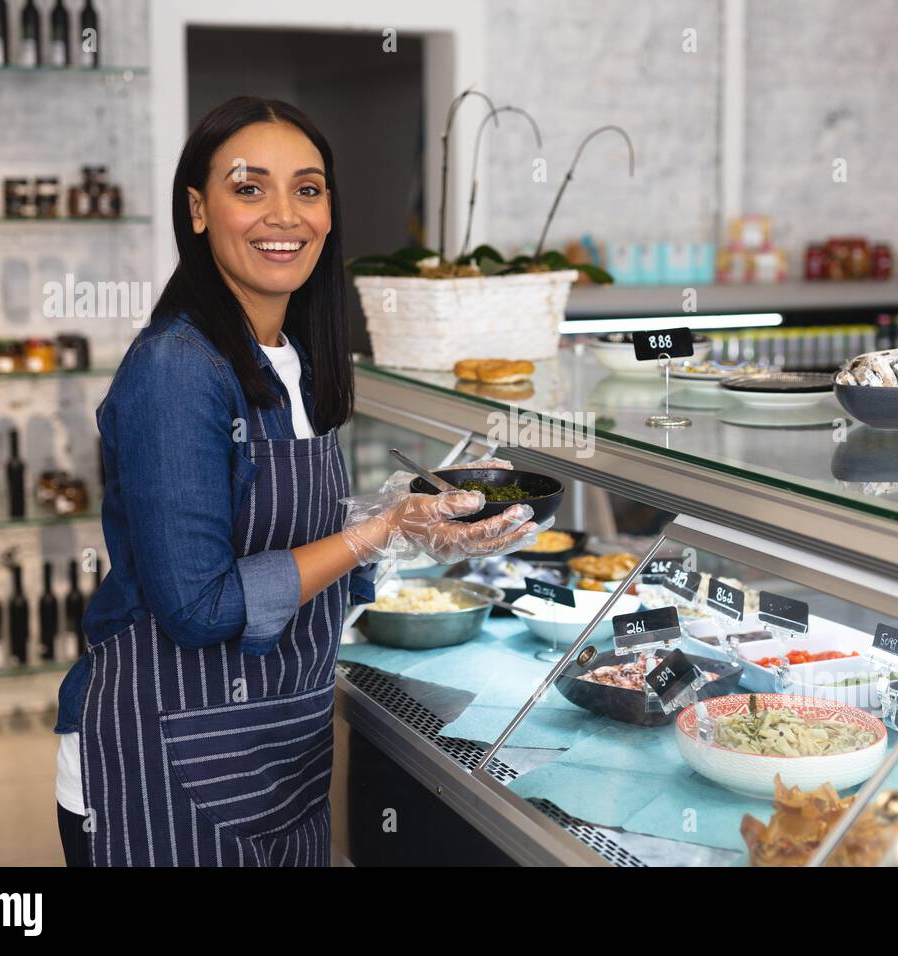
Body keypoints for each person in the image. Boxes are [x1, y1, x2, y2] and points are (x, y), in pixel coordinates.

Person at [52, 96, 541, 867]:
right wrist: (375, 531)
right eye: (249, 188)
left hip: (277, 749)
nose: (286, 215)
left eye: (307, 189)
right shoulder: (176, 368)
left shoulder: (296, 360)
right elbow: (197, 605)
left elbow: (284, 535)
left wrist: (410, 523)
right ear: (198, 209)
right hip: (165, 753)